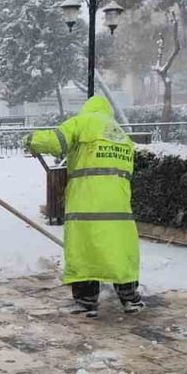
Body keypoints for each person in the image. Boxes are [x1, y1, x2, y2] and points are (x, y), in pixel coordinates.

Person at [26, 95, 144, 314]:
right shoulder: (121, 135)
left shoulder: (84, 122)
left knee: (84, 249)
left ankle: (87, 300)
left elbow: (54, 141)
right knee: (119, 249)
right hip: (118, 207)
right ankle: (129, 296)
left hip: (87, 203)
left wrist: (32, 140)